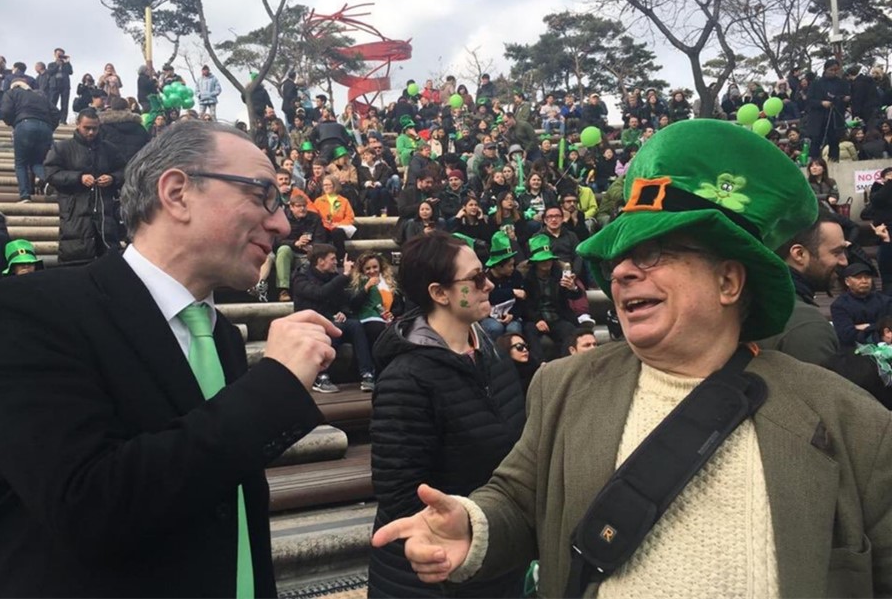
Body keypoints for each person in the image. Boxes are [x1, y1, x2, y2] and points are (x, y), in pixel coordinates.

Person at [371, 119, 892, 598]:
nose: (620, 275)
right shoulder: (562, 386)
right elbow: (517, 499)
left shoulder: (853, 425)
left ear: (730, 281)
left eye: (652, 255)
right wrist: (474, 526)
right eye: (619, 259)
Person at [0, 119, 341, 597]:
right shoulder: (32, 310)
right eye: (262, 194)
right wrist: (274, 385)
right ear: (177, 192)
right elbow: (89, 508)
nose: (282, 224)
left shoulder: (220, 334)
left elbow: (224, 501)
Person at [368, 231, 526, 598]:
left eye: (484, 273)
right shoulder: (405, 380)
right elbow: (402, 496)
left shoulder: (492, 353)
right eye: (475, 279)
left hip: (493, 560)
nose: (488, 284)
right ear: (439, 293)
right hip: (432, 573)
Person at [758, 208, 846, 365]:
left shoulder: (759, 298)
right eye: (837, 252)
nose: (844, 261)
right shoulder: (807, 326)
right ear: (799, 254)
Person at [45, 108, 126, 266]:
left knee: (109, 264)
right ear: (77, 125)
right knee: (75, 260)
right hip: (74, 213)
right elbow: (51, 174)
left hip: (105, 215)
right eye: (86, 128)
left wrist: (113, 178)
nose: (91, 132)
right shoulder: (62, 148)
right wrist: (78, 177)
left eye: (94, 128)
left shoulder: (109, 149)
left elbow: (125, 170)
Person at [292, 244, 375, 393]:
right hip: (309, 324)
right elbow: (319, 294)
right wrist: (344, 276)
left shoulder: (333, 277)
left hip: (332, 322)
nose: (336, 262)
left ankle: (367, 374)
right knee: (337, 327)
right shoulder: (301, 277)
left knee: (355, 325)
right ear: (320, 261)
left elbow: (345, 301)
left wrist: (343, 311)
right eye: (332, 259)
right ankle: (320, 375)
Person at [522, 234, 589, 361]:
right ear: (535, 262)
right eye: (542, 260)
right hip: (536, 318)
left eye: (549, 259)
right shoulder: (526, 277)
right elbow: (526, 305)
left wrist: (572, 287)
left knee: (569, 331)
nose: (547, 262)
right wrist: (537, 320)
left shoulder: (559, 273)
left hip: (557, 317)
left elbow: (575, 295)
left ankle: (566, 365)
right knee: (529, 330)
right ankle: (540, 365)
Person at [347, 252, 404, 386]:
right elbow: (353, 304)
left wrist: (392, 314)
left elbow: (399, 306)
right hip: (366, 319)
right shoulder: (359, 282)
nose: (372, 271)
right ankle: (377, 374)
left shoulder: (389, 282)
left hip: (387, 319)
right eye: (368, 268)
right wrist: (366, 287)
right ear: (362, 270)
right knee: (378, 330)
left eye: (375, 267)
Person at [0, 79, 58, 202]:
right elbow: (55, 112)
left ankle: (25, 195)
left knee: (21, 163)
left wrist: (12, 122)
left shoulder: (12, 93)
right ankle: (48, 179)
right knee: (37, 162)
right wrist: (49, 127)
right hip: (45, 128)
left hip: (24, 125)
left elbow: (5, 111)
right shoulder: (40, 96)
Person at [829, 263, 892, 347]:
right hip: (852, 351)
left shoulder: (885, 301)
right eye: (858, 277)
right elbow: (846, 335)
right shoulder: (839, 305)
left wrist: (865, 327)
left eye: (867, 277)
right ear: (847, 282)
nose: (864, 281)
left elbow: (889, 327)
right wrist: (877, 327)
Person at [480, 231, 526, 341]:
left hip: (511, 314)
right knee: (496, 328)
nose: (512, 268)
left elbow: (521, 301)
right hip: (489, 316)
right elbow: (488, 297)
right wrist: (512, 292)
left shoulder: (516, 275)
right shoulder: (485, 277)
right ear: (498, 267)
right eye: (509, 265)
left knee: (514, 329)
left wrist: (512, 315)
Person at [807, 59, 850, 161]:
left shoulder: (841, 83)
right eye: (831, 70)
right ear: (826, 69)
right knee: (816, 140)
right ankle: (814, 162)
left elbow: (847, 97)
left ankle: (834, 161)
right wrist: (821, 103)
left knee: (834, 141)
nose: (834, 72)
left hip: (835, 116)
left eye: (836, 70)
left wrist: (845, 99)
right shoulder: (816, 83)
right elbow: (809, 100)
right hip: (818, 117)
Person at [313, 175, 356, 263]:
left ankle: (340, 259)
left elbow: (350, 217)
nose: (327, 187)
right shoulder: (318, 201)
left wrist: (339, 224)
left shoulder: (344, 201)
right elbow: (315, 217)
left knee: (337, 232)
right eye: (325, 185)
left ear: (335, 185)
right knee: (322, 231)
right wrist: (325, 223)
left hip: (338, 228)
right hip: (324, 227)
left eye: (329, 184)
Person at [98, 97, 151, 165]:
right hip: (135, 165)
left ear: (112, 107)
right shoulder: (139, 127)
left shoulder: (103, 127)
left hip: (112, 168)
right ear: (127, 107)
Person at [46, 48, 73, 124]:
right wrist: (58, 65)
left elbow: (70, 72)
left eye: (61, 54)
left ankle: (63, 120)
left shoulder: (66, 64)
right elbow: (50, 72)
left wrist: (67, 62)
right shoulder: (51, 64)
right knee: (52, 102)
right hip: (54, 85)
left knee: (64, 103)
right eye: (59, 54)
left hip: (65, 85)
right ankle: (51, 118)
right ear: (55, 55)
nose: (60, 56)